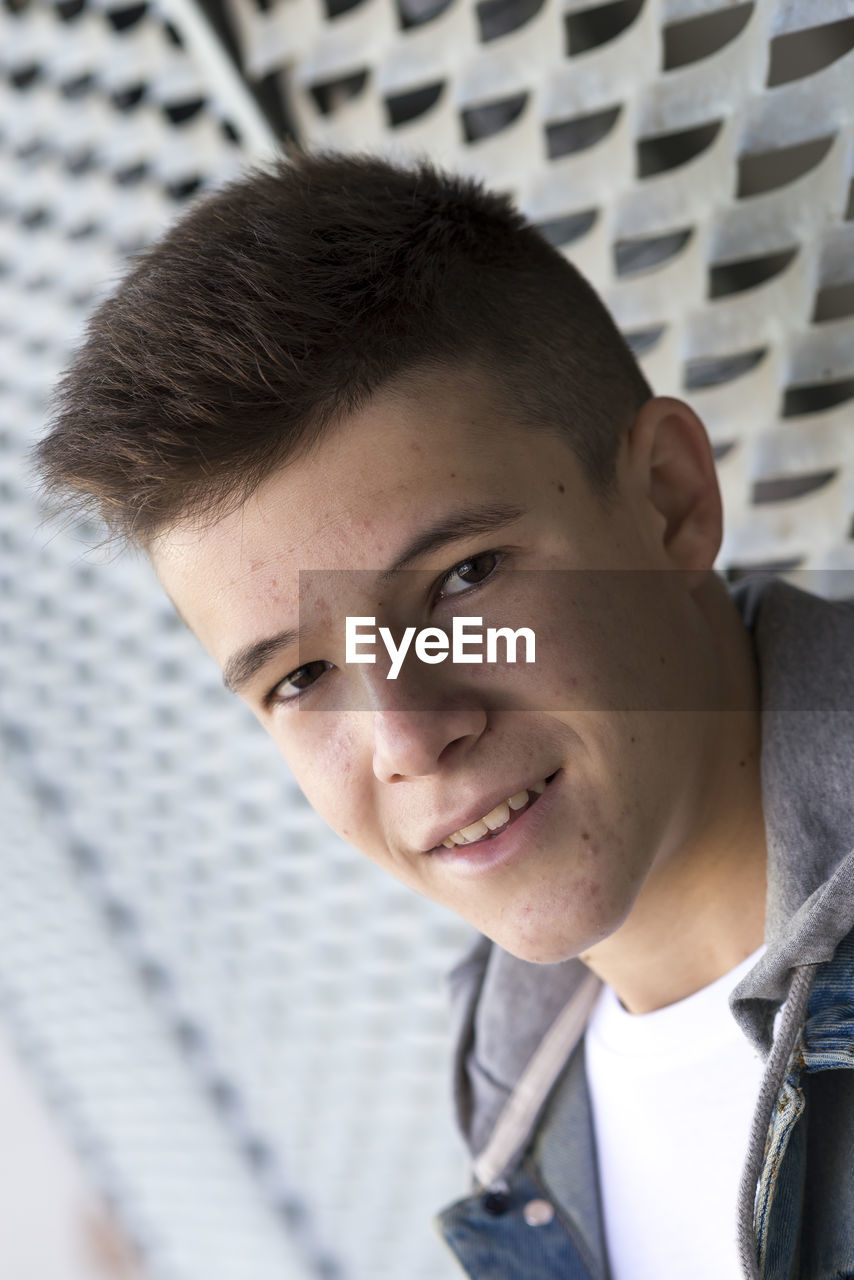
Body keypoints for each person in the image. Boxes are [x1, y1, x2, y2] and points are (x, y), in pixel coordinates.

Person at [34, 147, 854, 1280]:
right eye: (302, 678)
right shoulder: (515, 1087)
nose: (409, 736)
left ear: (668, 498)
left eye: (461, 581)